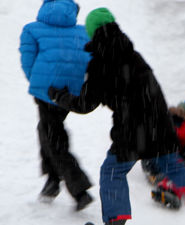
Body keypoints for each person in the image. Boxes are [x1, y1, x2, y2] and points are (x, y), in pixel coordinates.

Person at [48, 8, 185, 225]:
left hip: (132, 127)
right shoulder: (132, 54)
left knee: (112, 172)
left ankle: (115, 221)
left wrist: (59, 96)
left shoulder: (100, 63)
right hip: (160, 121)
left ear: (92, 32)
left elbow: (85, 104)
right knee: (173, 166)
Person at [18, 0, 93, 211]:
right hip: (69, 94)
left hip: (46, 91)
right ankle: (52, 180)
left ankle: (79, 190)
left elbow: (27, 60)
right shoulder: (83, 31)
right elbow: (86, 60)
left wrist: (37, 81)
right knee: (48, 130)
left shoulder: (32, 29)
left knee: (53, 137)